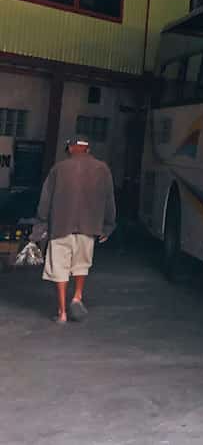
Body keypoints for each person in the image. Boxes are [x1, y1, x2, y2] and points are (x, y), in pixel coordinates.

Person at [35, 135, 117, 323]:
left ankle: (62, 312)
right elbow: (109, 199)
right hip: (88, 227)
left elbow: (45, 200)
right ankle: (77, 297)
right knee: (81, 264)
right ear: (88, 149)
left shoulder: (59, 169)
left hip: (60, 226)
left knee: (60, 268)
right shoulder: (102, 169)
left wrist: (41, 225)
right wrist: (108, 226)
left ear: (70, 149)